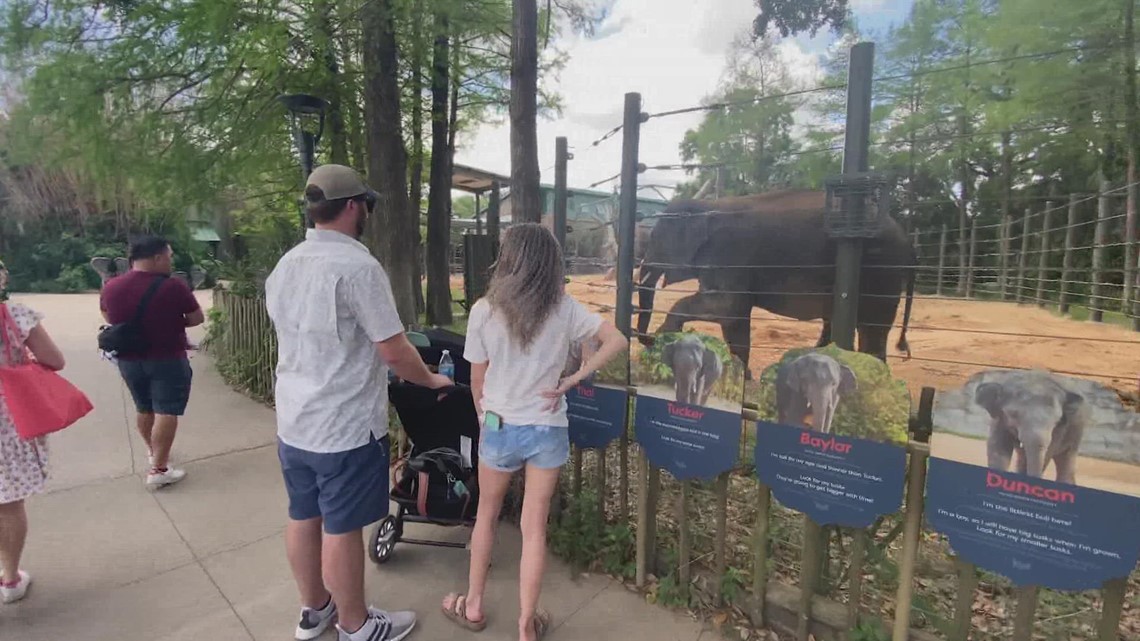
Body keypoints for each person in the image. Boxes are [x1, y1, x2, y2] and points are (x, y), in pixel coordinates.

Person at [265, 164, 452, 641]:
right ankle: (356, 626)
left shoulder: (287, 264)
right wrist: (431, 380)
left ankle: (314, 611)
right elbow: (393, 350)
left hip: (295, 420)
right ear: (353, 206)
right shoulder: (358, 267)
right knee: (342, 527)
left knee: (303, 514)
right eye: (366, 203)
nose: (368, 211)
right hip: (342, 425)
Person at [441, 223, 628, 641]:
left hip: (500, 427)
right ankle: (526, 624)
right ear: (551, 262)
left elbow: (477, 380)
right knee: (534, 527)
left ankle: (473, 606)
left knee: (486, 516)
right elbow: (617, 340)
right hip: (547, 428)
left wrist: (483, 418)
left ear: (507, 260)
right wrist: (576, 377)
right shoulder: (565, 308)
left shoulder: (484, 310)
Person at [100, 236, 204, 488]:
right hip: (167, 357)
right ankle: (159, 469)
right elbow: (196, 318)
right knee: (166, 410)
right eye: (168, 256)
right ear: (156, 258)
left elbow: (108, 316)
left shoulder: (111, 286)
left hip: (128, 359)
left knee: (144, 407)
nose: (170, 261)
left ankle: (153, 452)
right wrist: (169, 322)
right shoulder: (173, 287)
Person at [0, 258, 66, 604]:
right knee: (7, 500)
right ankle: (9, 579)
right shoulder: (15, 315)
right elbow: (54, 360)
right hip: (9, 414)